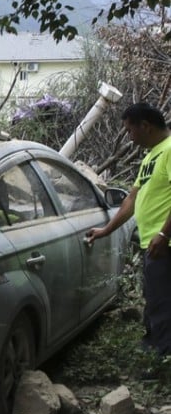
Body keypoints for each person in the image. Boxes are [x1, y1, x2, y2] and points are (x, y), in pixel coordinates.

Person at [87, 102, 171, 355]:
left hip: (164, 244)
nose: (129, 137)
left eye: (129, 130)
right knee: (155, 301)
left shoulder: (169, 150)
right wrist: (106, 230)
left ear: (145, 126)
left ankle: (161, 360)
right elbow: (131, 200)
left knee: (163, 305)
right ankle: (155, 351)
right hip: (152, 244)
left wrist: (164, 233)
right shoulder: (152, 155)